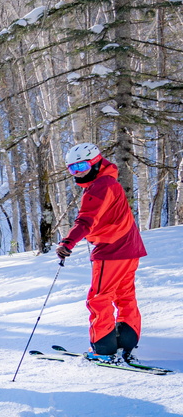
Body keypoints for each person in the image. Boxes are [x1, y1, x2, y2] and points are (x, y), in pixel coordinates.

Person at [55, 143, 147, 362]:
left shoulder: (99, 185)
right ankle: (126, 341)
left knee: (99, 297)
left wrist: (68, 242)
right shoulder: (109, 182)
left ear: (95, 162)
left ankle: (103, 348)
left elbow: (86, 220)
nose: (79, 172)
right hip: (129, 247)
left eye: (82, 166)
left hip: (112, 249)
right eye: (73, 169)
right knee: (124, 294)